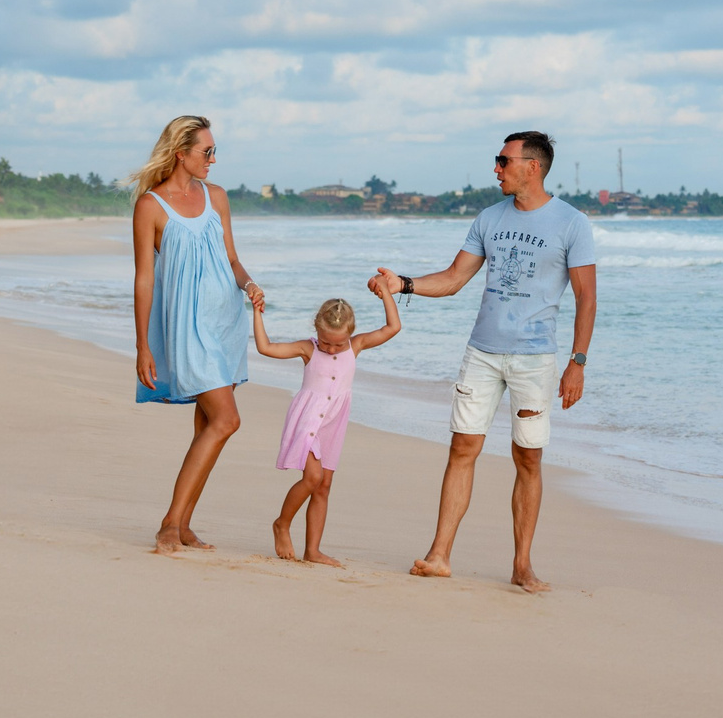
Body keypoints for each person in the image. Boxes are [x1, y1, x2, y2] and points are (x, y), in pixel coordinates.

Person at [370, 130, 597, 594]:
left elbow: (586, 298)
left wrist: (578, 362)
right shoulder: (488, 218)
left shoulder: (572, 224)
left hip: (535, 358)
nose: (496, 168)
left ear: (532, 166)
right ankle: (439, 555)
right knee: (462, 448)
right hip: (482, 353)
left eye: (503, 160)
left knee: (528, 458)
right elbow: (454, 278)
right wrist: (404, 284)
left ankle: (522, 565)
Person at [131, 115, 265, 556]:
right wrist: (142, 346)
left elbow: (231, 259)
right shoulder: (151, 206)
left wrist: (249, 286)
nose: (212, 158)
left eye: (213, 151)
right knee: (228, 420)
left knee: (208, 425)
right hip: (187, 330)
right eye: (205, 151)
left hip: (225, 323)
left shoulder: (217, 198)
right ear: (179, 154)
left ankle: (184, 523)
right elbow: (145, 280)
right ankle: (169, 523)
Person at [250, 290, 403, 567]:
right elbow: (266, 348)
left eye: (338, 344)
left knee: (324, 486)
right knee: (312, 478)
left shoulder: (356, 346)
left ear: (350, 335)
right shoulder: (307, 349)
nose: (331, 349)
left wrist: (386, 294)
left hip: (333, 423)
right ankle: (281, 524)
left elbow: (393, 327)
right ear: (316, 331)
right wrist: (257, 314)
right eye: (325, 343)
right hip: (308, 419)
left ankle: (313, 550)